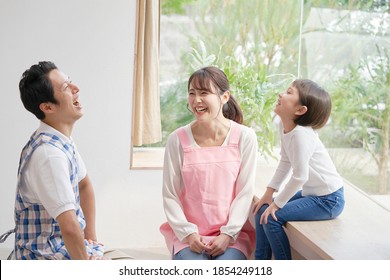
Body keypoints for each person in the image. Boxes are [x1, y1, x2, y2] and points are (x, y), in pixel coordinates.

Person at [3, 61, 105, 259]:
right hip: (43, 256)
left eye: (70, 82)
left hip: (61, 247)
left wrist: (90, 236)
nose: (76, 89)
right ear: (47, 107)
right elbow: (69, 227)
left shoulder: (60, 140)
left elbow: (84, 185)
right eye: (66, 87)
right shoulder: (49, 155)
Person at [160, 66, 258, 260]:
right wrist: (188, 234)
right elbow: (170, 194)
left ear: (225, 97)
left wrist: (228, 234)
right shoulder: (177, 139)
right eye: (192, 93)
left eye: (204, 93)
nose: (196, 100)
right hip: (188, 236)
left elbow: (244, 192)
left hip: (232, 236)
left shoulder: (245, 137)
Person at [252, 79, 345, 260]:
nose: (281, 94)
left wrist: (277, 204)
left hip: (328, 200)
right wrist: (268, 194)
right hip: (312, 194)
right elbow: (285, 161)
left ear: (300, 110)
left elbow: (300, 176)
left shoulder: (302, 135)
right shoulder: (285, 126)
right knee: (261, 210)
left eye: (288, 92)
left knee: (271, 218)